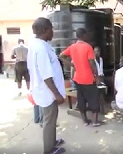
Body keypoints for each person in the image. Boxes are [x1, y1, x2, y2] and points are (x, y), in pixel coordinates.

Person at [27, 17, 66, 154]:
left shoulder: (38, 44)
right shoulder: (41, 48)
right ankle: (49, 150)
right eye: (51, 29)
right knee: (49, 120)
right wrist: (56, 94)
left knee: (51, 118)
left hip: (43, 90)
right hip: (47, 91)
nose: (53, 32)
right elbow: (46, 75)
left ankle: (52, 141)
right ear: (45, 30)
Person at [60, 28, 104, 127]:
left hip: (77, 79)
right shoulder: (88, 47)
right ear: (84, 35)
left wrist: (72, 65)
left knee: (81, 99)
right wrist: (96, 75)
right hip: (88, 79)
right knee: (94, 99)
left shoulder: (72, 47)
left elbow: (61, 56)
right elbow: (92, 62)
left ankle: (85, 121)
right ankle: (95, 122)